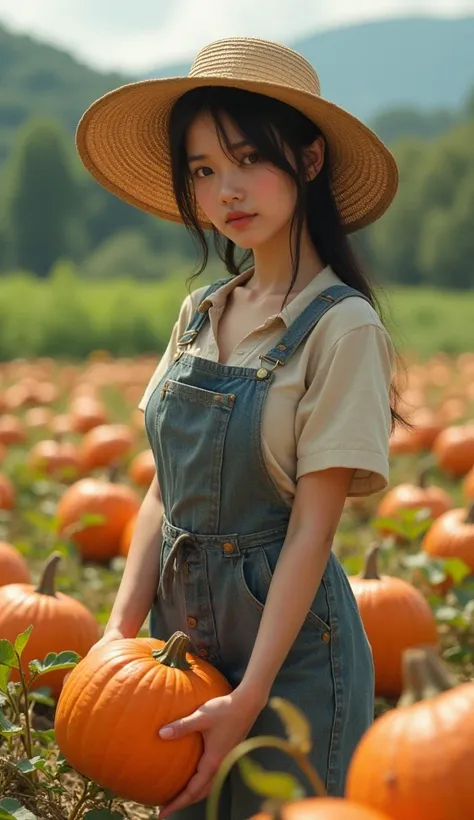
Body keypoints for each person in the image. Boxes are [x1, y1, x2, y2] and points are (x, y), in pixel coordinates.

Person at [76, 36, 403, 819]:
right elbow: (167, 486)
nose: (228, 190)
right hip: (179, 650)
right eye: (203, 170)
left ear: (311, 161)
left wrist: (250, 695)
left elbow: (311, 535)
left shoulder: (340, 327)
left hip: (288, 666)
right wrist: (118, 639)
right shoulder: (201, 312)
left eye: (250, 158)